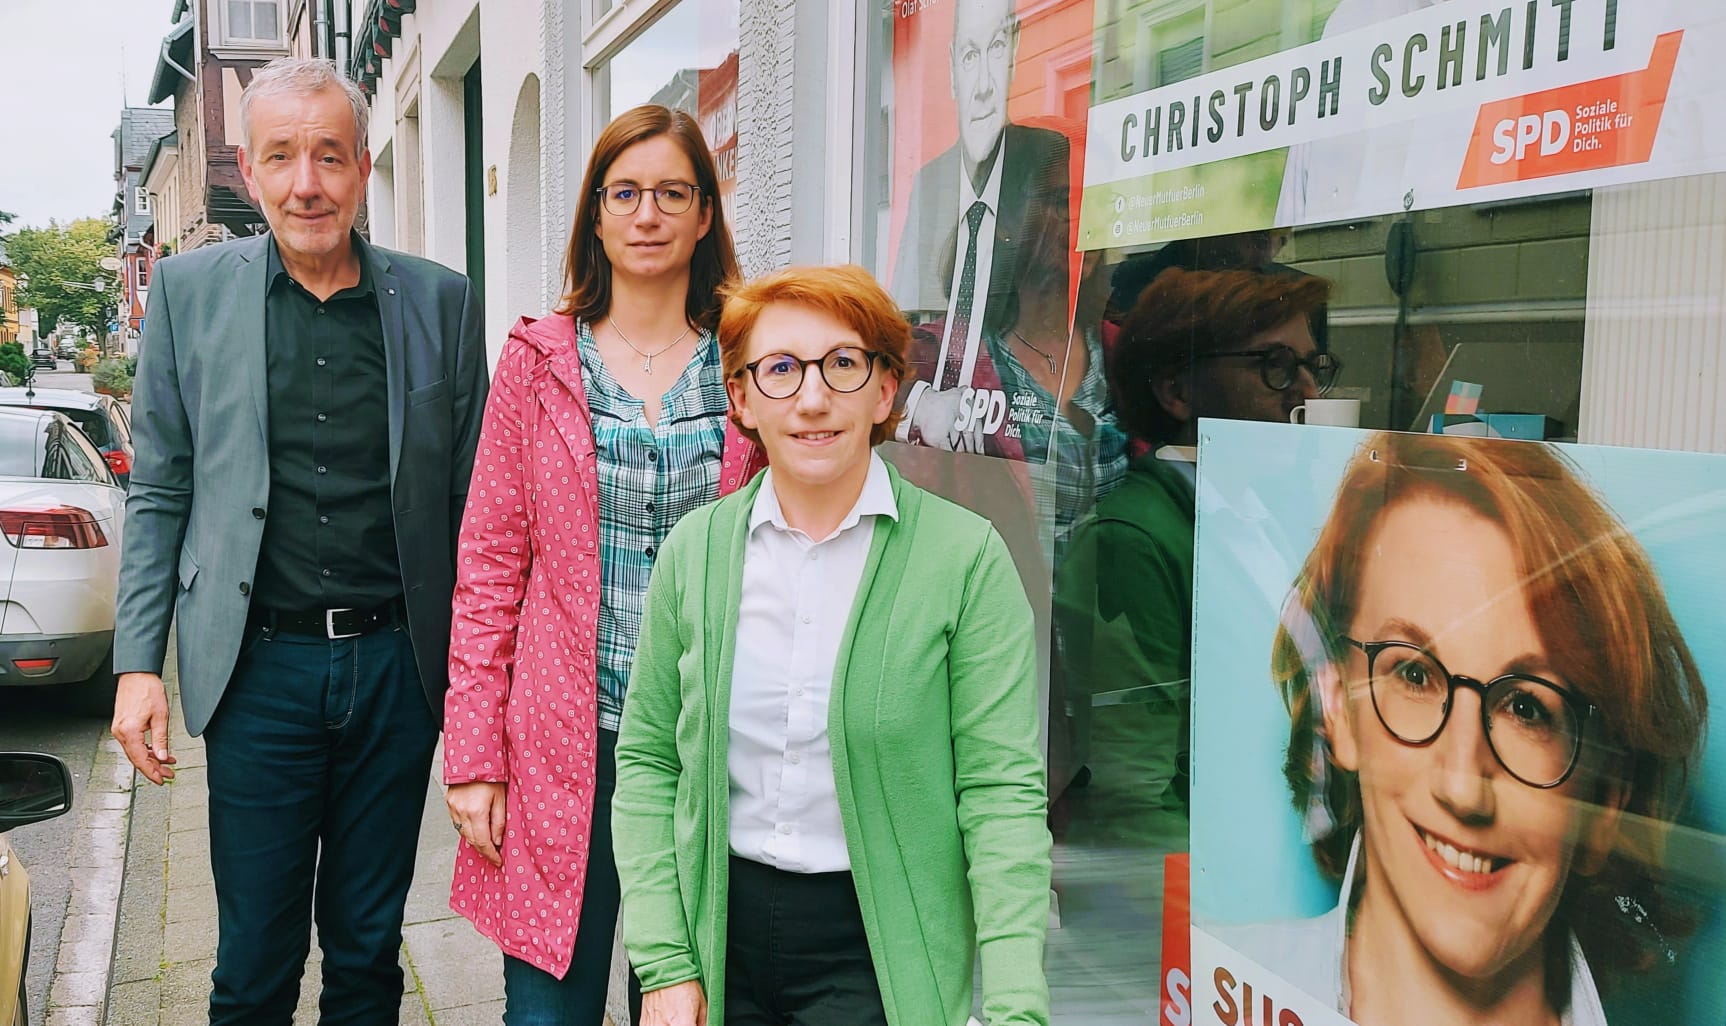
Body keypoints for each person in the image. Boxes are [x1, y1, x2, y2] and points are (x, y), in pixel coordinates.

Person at [109, 56, 488, 1024]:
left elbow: (471, 509)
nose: (306, 183)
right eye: (282, 157)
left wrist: (482, 685)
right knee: (252, 962)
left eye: (328, 156)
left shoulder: (439, 304)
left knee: (367, 953)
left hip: (394, 673)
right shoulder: (191, 295)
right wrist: (138, 666)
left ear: (364, 167)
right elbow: (159, 489)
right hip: (256, 675)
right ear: (248, 167)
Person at [613, 265, 1052, 1026]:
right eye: (781, 369)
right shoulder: (696, 551)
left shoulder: (965, 558)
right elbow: (650, 762)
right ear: (742, 398)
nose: (813, 398)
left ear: (885, 391)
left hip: (875, 952)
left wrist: (1016, 1005)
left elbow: (1000, 793)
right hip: (713, 935)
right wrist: (665, 964)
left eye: (844, 364)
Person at [441, 104, 764, 1026]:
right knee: (549, 1009)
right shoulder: (540, 364)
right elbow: (491, 566)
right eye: (625, 193)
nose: (648, 213)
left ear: (706, 213)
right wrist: (475, 756)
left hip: (709, 740)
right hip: (561, 740)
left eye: (673, 192)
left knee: (683, 1002)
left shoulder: (750, 363)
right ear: (595, 214)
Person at [1242, 431, 1708, 1026]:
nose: (1463, 787)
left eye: (1527, 709)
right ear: (1337, 707)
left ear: (1607, 803)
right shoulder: (1220, 978)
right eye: (1414, 673)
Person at [1053, 267, 1336, 812]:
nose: (1304, 392)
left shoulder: (1261, 515)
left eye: (1310, 366)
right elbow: (1133, 792)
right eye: (1274, 365)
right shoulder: (1131, 541)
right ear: (1176, 391)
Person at [891, 0, 1073, 450]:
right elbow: (901, 324)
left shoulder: (1045, 160)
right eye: (971, 57)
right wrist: (920, 402)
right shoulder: (929, 183)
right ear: (952, 71)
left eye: (995, 48)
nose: (984, 87)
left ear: (1013, 56)